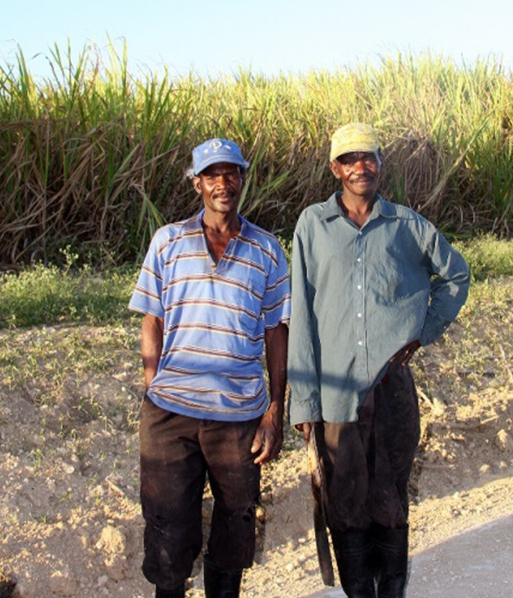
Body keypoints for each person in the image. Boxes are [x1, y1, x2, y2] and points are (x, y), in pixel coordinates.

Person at [288, 123, 470, 598]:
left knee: (389, 499)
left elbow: (456, 276)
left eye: (368, 157)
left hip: (392, 389)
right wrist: (303, 404)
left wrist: (423, 332)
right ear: (335, 168)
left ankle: (391, 590)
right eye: (349, 159)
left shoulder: (407, 226)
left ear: (380, 164)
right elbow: (302, 315)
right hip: (335, 391)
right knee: (345, 503)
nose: (360, 167)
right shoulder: (312, 225)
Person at [129, 138, 290, 598]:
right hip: (170, 414)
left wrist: (274, 410)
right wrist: (152, 384)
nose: (223, 183)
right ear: (197, 183)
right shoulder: (169, 241)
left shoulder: (267, 249)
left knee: (235, 526)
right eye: (212, 175)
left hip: (238, 415)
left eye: (232, 173)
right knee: (166, 528)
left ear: (242, 178)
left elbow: (277, 332)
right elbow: (152, 319)